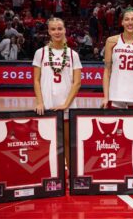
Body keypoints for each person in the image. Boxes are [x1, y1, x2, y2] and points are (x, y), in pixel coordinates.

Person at [33, 17, 82, 165]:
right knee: (49, 143)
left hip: (66, 107)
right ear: (48, 31)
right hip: (47, 106)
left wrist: (66, 105)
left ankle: (70, 175)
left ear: (65, 30)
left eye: (60, 28)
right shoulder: (40, 53)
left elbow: (77, 82)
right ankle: (53, 175)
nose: (57, 32)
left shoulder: (73, 55)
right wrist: (40, 102)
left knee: (67, 143)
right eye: (53, 29)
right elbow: (36, 80)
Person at [101, 7, 133, 109]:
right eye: (127, 19)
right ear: (122, 22)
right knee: (116, 124)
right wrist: (106, 96)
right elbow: (107, 71)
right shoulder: (111, 41)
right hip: (116, 94)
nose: (130, 22)